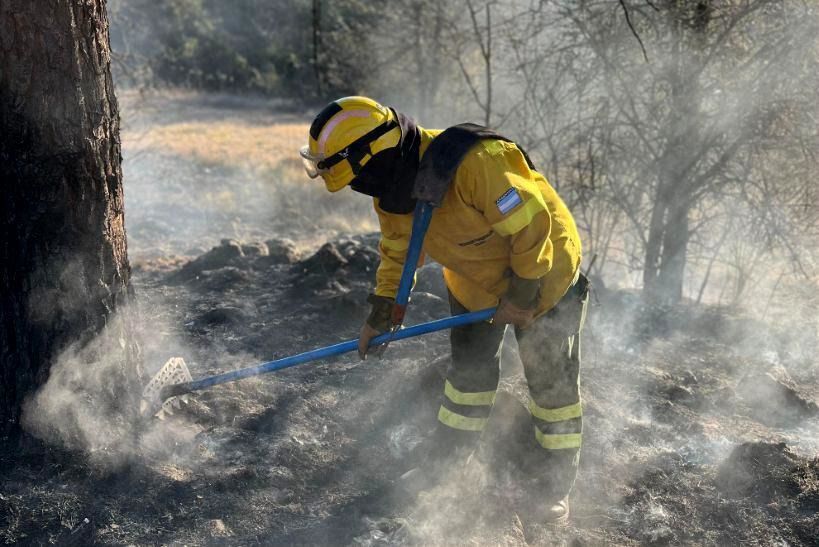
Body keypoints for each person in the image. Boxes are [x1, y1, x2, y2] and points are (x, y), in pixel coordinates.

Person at [299, 96, 588, 523]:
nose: (361, 189)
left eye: (357, 178)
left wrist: (524, 296)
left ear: (375, 160)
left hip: (544, 275)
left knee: (551, 387)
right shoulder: (393, 190)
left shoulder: (479, 163)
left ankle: (551, 487)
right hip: (475, 283)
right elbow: (399, 251)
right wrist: (382, 311)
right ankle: (449, 463)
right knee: (467, 378)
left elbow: (532, 229)